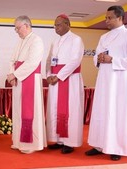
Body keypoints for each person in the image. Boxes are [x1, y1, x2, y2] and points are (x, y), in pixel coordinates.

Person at [85, 5, 127, 161]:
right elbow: (96, 56)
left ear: (120, 18)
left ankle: (116, 147)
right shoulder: (103, 37)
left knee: (117, 113)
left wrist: (113, 60)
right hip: (104, 79)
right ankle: (99, 145)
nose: (106, 20)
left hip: (120, 82)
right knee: (101, 112)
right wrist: (99, 59)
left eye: (109, 18)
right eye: (106, 18)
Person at [7, 15, 47, 154]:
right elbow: (12, 60)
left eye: (18, 28)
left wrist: (15, 74)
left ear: (27, 26)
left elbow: (32, 62)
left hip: (30, 80)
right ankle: (19, 141)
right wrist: (11, 74)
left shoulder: (36, 40)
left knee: (29, 111)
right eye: (15, 28)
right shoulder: (20, 42)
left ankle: (31, 144)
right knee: (18, 111)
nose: (16, 31)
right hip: (19, 81)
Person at [45, 14, 84, 154]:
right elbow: (49, 60)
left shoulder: (76, 40)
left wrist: (59, 76)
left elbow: (75, 61)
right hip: (55, 80)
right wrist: (49, 75)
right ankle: (58, 140)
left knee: (70, 110)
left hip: (70, 80)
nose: (56, 28)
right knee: (54, 109)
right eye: (55, 25)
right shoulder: (54, 42)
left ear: (67, 24)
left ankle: (70, 142)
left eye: (59, 25)